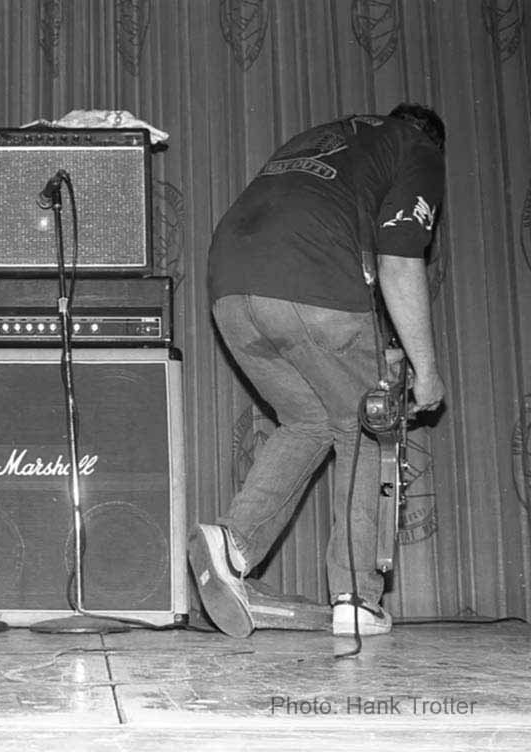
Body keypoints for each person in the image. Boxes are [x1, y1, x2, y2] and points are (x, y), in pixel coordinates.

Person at [191, 103, 446, 638]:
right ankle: (356, 596)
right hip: (311, 284)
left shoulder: (330, 139)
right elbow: (400, 260)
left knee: (309, 420)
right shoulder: (415, 147)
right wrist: (426, 370)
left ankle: (233, 544)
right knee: (370, 432)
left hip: (230, 287)